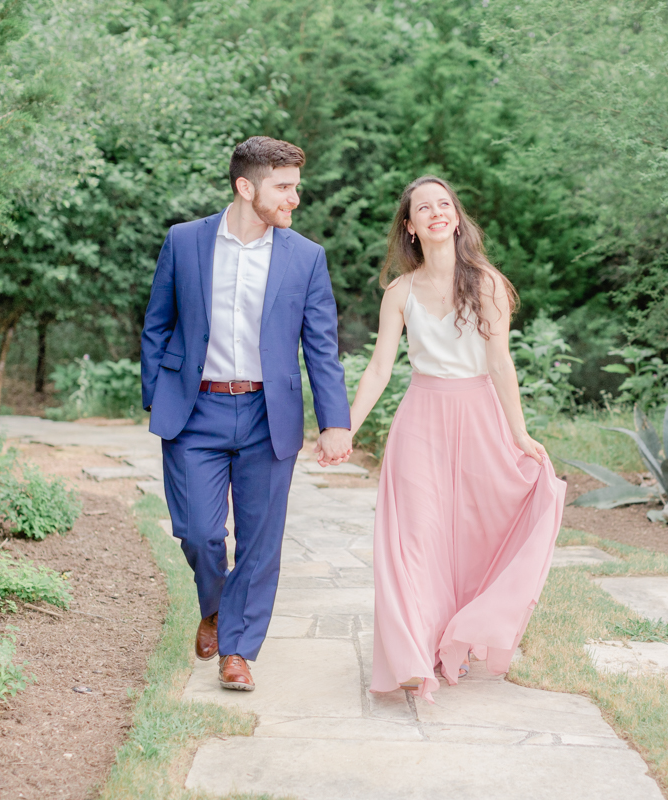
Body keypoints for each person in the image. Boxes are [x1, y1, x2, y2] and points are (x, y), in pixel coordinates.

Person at [141, 136, 352, 692]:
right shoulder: (184, 242)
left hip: (267, 414)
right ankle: (213, 606)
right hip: (195, 411)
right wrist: (155, 394)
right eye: (283, 187)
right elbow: (157, 323)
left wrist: (336, 422)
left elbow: (321, 347)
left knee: (260, 542)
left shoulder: (305, 257)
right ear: (245, 187)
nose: (294, 199)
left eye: (295, 187)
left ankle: (238, 651)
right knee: (199, 533)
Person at [349, 175, 566, 702]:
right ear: (411, 226)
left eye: (444, 204)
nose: (436, 212)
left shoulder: (487, 284)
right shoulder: (399, 293)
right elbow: (380, 368)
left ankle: (457, 640)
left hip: (478, 418)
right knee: (416, 540)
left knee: (470, 535)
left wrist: (518, 432)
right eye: (424, 208)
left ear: (456, 217)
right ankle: (416, 656)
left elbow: (500, 362)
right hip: (420, 420)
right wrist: (345, 428)